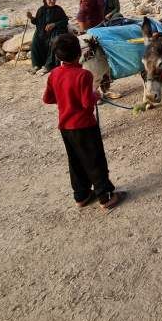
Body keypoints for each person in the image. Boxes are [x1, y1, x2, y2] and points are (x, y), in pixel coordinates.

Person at [43, 33, 125, 210]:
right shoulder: (83, 75)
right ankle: (106, 196)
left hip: (65, 127)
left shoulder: (54, 74)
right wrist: (95, 95)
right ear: (78, 53)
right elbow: (87, 103)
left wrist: (66, 98)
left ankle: (81, 195)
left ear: (57, 55)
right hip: (84, 125)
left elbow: (48, 99)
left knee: (75, 161)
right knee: (95, 160)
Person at [27, 0, 69, 75]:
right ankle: (36, 65)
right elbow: (37, 22)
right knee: (35, 42)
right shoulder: (41, 10)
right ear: (45, 1)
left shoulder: (58, 9)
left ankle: (48, 66)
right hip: (43, 32)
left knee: (54, 42)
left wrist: (54, 24)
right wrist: (31, 17)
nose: (52, 1)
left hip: (56, 31)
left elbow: (65, 20)